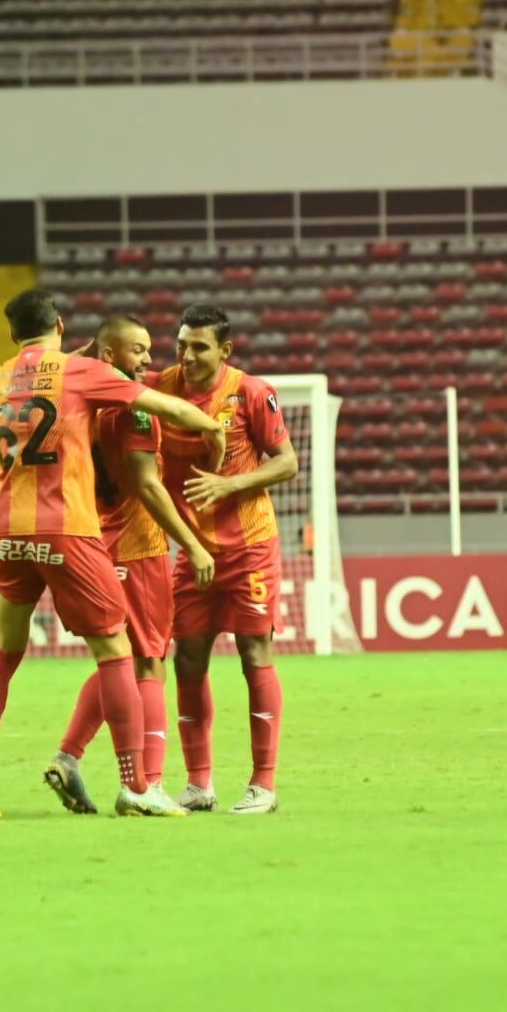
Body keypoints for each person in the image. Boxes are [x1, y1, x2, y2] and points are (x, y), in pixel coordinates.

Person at [0, 289, 225, 819]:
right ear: (59, 323)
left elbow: (50, 369)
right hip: (67, 529)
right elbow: (162, 403)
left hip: (6, 529)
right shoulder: (79, 374)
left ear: (14, 336)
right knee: (117, 654)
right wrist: (211, 426)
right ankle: (136, 785)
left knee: (1, 654)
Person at [43, 316, 217, 816]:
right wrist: (193, 544)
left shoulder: (77, 397)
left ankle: (69, 757)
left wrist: (92, 347)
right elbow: (147, 484)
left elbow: (77, 361)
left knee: (114, 659)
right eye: (138, 350)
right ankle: (148, 783)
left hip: (89, 541)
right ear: (113, 356)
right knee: (148, 661)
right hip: (136, 547)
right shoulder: (135, 411)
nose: (149, 359)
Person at [154, 304, 298, 814]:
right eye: (182, 343)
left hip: (250, 549)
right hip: (193, 551)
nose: (187, 355)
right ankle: (199, 784)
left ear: (225, 350)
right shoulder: (162, 385)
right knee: (188, 659)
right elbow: (113, 376)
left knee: (254, 654)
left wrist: (230, 483)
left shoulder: (253, 393)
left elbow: (287, 463)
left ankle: (264, 784)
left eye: (199, 347)